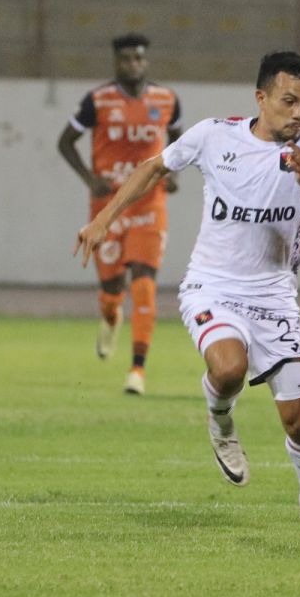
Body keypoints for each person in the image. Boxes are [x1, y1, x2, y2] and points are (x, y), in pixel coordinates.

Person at [75, 51, 300, 534]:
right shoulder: (214, 135)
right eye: (289, 101)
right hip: (212, 286)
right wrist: (103, 219)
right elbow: (153, 168)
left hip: (275, 297)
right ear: (261, 98)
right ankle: (221, 422)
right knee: (228, 368)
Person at [58, 33, 182, 395]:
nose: (133, 65)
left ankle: (137, 370)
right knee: (112, 289)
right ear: (116, 62)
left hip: (148, 203)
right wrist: (88, 177)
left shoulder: (166, 99)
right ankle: (110, 317)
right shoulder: (97, 101)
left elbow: (180, 139)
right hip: (108, 207)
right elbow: (65, 141)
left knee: (144, 281)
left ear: (146, 61)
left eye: (139, 58)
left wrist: (170, 173)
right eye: (126, 59)